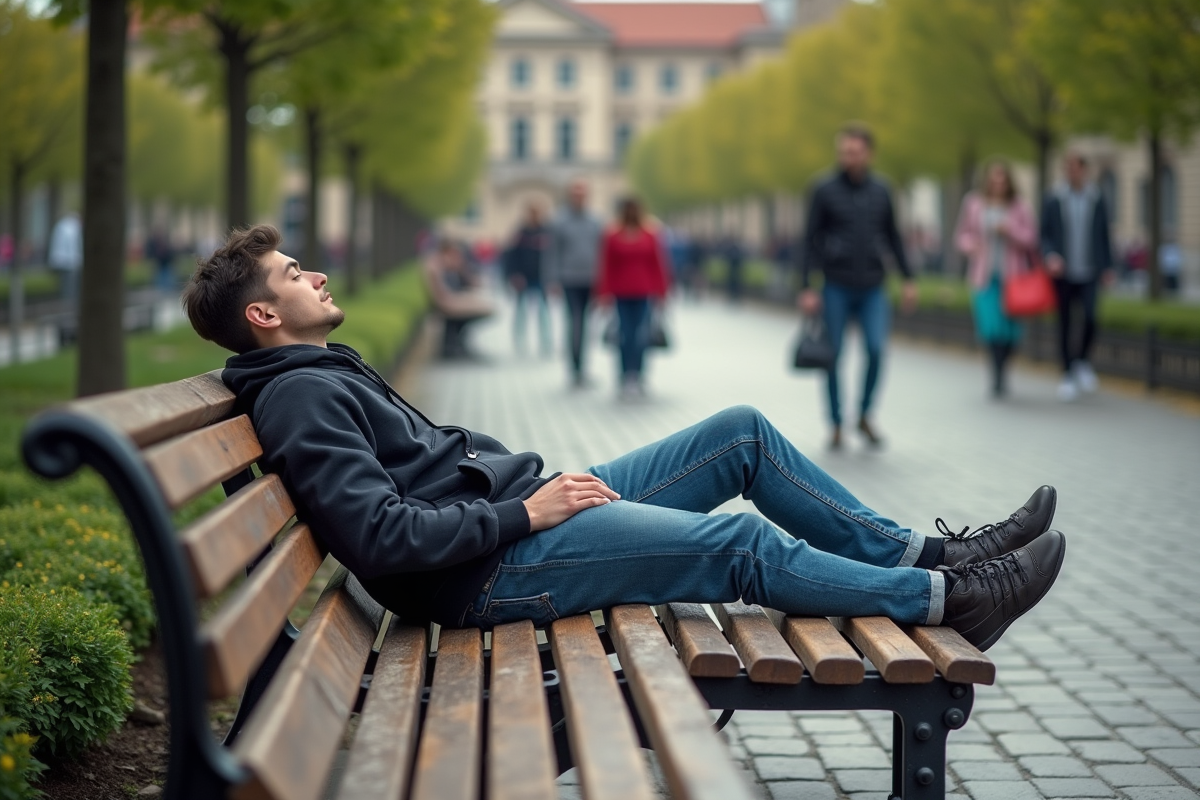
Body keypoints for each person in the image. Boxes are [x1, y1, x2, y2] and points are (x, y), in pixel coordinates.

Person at [180, 224, 1067, 653]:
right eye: (293, 273)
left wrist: (532, 500)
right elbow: (381, 537)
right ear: (263, 315)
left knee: (741, 434)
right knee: (740, 543)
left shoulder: (317, 370)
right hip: (489, 570)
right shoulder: (301, 396)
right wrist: (528, 513)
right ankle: (949, 600)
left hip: (522, 521)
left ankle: (934, 554)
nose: (316, 273)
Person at [797, 125, 917, 450]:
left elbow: (893, 236)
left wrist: (908, 279)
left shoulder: (882, 190)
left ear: (868, 153)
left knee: (876, 349)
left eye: (854, 151)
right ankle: (836, 423)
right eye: (843, 152)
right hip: (835, 284)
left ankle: (865, 414)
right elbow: (808, 239)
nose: (847, 157)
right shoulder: (823, 189)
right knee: (833, 354)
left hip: (873, 286)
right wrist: (806, 286)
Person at [954, 160, 1038, 397]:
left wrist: (1010, 230)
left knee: (1011, 330)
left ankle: (1004, 368)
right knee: (990, 327)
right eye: (994, 179)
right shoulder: (974, 203)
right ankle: (997, 374)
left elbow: (1031, 238)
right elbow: (962, 236)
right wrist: (972, 246)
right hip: (984, 275)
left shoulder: (1019, 205)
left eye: (1002, 179)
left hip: (1014, 277)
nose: (998, 184)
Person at [1040, 153, 1114, 402]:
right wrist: (1050, 255)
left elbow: (1104, 234)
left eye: (1075, 168)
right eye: (1067, 168)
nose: (1071, 172)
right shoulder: (1054, 198)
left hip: (1089, 271)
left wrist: (1108, 266)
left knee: (1091, 317)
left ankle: (1082, 361)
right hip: (1062, 273)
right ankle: (1067, 374)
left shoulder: (1096, 198)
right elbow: (1044, 234)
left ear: (1084, 170)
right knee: (1064, 323)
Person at [595, 198, 670, 399]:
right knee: (625, 334)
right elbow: (607, 266)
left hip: (644, 292)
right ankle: (625, 374)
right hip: (621, 293)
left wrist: (662, 293)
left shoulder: (650, 235)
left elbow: (657, 264)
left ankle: (639, 374)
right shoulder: (612, 236)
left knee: (642, 335)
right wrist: (603, 294)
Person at [546, 181, 604, 387]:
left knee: (588, 326)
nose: (579, 198)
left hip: (591, 279)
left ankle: (583, 367)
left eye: (582, 194)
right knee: (575, 323)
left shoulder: (595, 221)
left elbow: (603, 252)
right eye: (575, 194)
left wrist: (604, 282)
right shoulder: (559, 221)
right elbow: (552, 253)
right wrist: (552, 280)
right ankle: (575, 368)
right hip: (569, 279)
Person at [422, 238, 493, 359]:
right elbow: (444, 294)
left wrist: (460, 267)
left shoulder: (450, 266)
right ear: (445, 252)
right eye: (453, 252)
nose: (456, 255)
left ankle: (456, 344)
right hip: (445, 304)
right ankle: (452, 346)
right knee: (481, 307)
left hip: (449, 301)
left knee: (484, 306)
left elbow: (468, 282)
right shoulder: (436, 266)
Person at [502, 204, 552, 356]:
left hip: (541, 277)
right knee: (521, 312)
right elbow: (510, 256)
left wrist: (552, 278)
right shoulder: (520, 234)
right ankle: (519, 342)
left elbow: (552, 257)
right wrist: (514, 274)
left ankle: (546, 343)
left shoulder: (546, 233)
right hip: (523, 278)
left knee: (544, 312)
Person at [47, 212, 82, 307]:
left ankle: (68, 306)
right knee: (68, 288)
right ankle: (68, 307)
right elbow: (71, 246)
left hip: (64, 261)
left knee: (68, 288)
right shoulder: (70, 227)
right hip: (67, 263)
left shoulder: (63, 225)